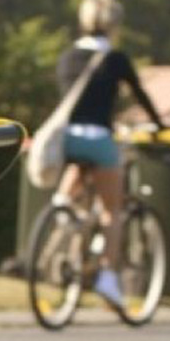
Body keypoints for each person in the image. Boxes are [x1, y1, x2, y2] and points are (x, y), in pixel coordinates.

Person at [53, 0, 166, 308]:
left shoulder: (68, 57)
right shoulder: (114, 59)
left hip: (67, 139)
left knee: (78, 168)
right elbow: (140, 94)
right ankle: (106, 276)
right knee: (111, 211)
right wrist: (156, 125)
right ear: (115, 25)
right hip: (98, 137)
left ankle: (63, 208)